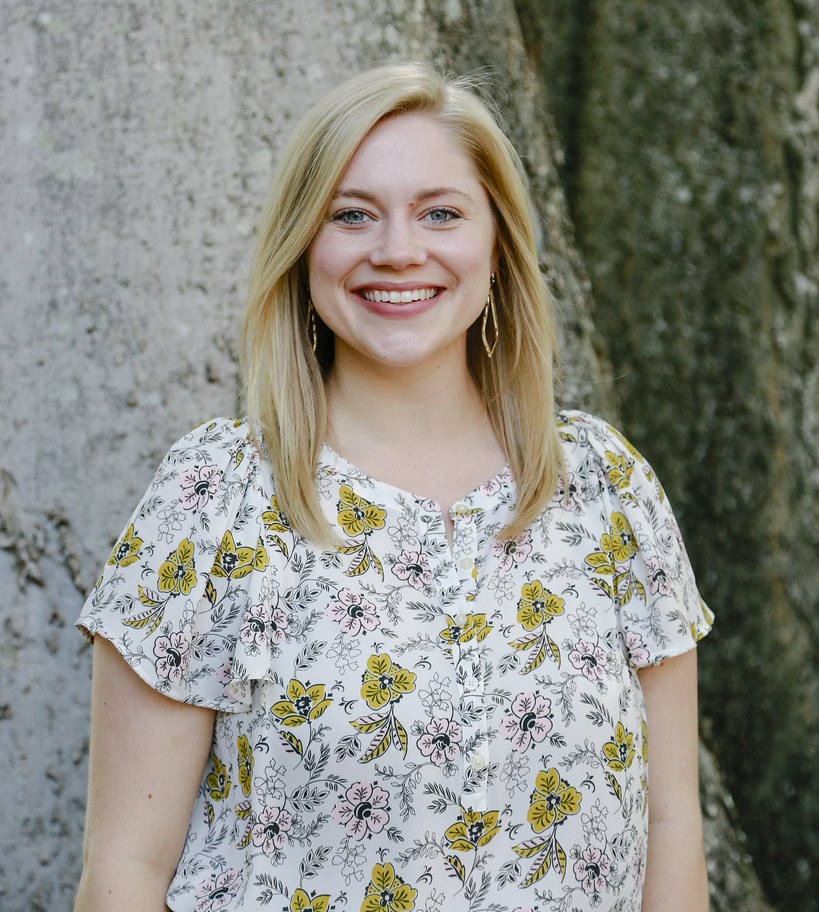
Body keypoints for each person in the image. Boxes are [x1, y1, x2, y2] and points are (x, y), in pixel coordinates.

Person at [75, 63, 713, 912]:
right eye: (352, 215)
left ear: (497, 248)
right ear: (305, 246)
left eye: (440, 213)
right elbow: (123, 871)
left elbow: (671, 825)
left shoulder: (605, 488)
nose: (398, 250)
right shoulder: (216, 496)